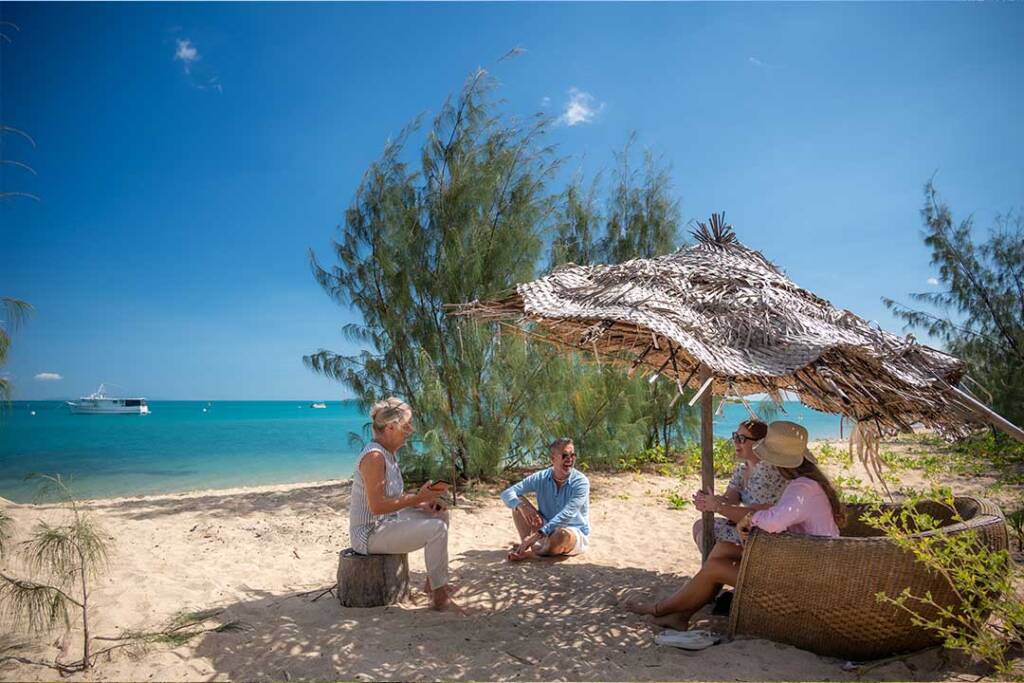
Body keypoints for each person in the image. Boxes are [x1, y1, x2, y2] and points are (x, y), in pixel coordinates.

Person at [625, 421, 845, 630]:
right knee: (722, 549)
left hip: (805, 579)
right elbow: (771, 515)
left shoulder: (802, 489)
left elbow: (773, 521)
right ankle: (680, 615)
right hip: (799, 562)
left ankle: (661, 610)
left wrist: (748, 519)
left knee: (715, 567)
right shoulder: (805, 484)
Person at [349, 397, 459, 611]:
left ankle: (433, 583)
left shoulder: (387, 453)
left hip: (387, 522)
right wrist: (418, 497)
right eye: (407, 425)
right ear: (391, 427)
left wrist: (422, 503)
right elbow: (377, 507)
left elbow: (393, 497)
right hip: (369, 534)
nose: (411, 430)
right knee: (437, 529)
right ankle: (439, 596)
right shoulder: (374, 457)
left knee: (440, 514)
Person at [691, 419, 786, 549]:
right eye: (735, 436)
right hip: (747, 526)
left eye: (741, 439)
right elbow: (730, 499)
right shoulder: (742, 469)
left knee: (706, 535)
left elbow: (759, 513)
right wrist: (708, 500)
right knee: (700, 526)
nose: (735, 442)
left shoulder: (768, 470)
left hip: (765, 531)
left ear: (759, 443)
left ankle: (726, 560)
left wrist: (717, 507)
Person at [500, 438, 590, 561]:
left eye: (573, 455)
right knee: (518, 501)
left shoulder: (581, 482)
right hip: (544, 528)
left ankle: (534, 553)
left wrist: (538, 535)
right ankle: (526, 545)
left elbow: (567, 514)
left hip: (572, 532)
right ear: (553, 459)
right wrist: (520, 506)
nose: (570, 459)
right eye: (565, 455)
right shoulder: (540, 477)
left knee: (560, 535)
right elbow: (507, 493)